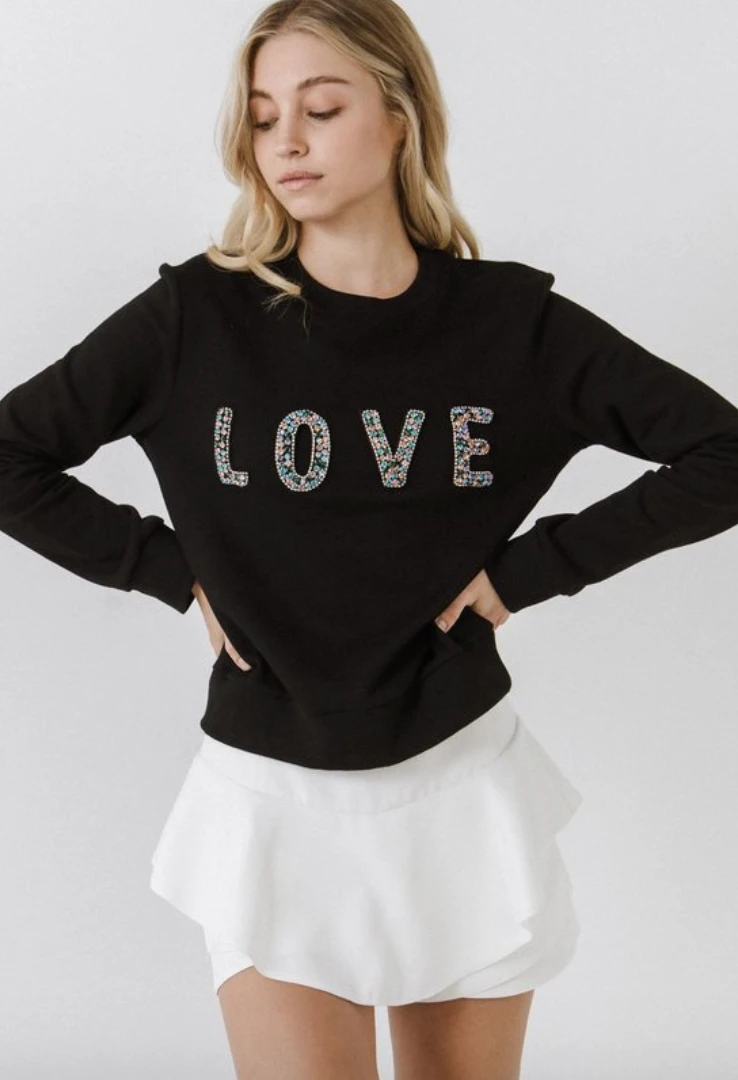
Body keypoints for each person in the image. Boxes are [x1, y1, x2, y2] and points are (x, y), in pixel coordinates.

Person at [2, 2, 738, 1078]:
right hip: (271, 803)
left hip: (461, 792)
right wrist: (168, 571)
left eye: (321, 108)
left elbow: (721, 451)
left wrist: (531, 571)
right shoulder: (196, 318)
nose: (286, 143)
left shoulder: (510, 325)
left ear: (399, 118)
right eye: (263, 118)